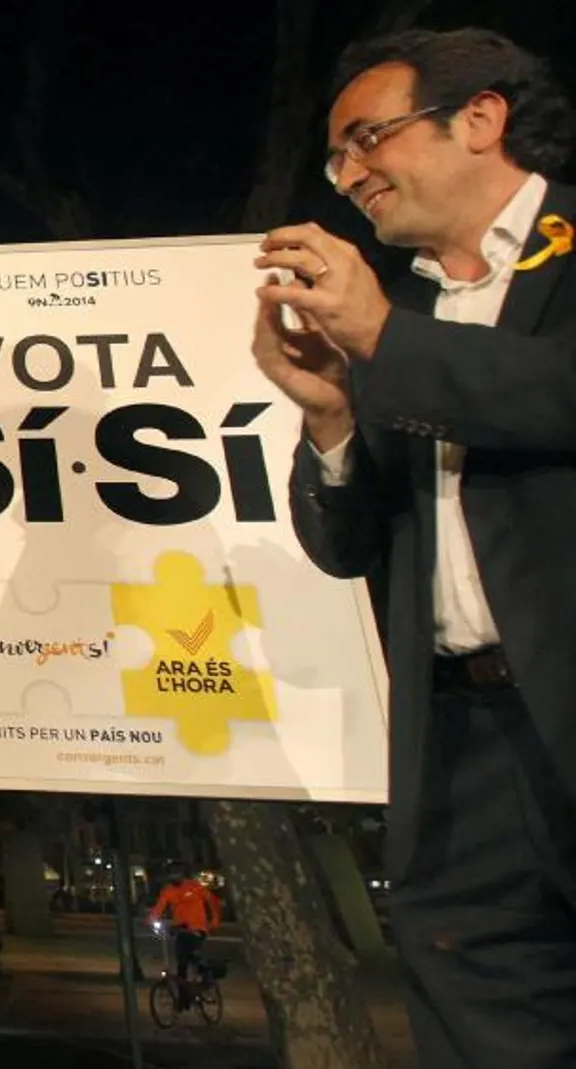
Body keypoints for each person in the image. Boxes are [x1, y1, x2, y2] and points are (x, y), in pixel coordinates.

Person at [251, 28, 576, 1069]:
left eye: (367, 139)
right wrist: (334, 417)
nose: (347, 177)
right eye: (335, 158)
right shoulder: (406, 314)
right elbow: (345, 545)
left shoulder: (407, 324)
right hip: (461, 746)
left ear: (478, 120)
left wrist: (386, 344)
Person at [147, 865, 220, 986]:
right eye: (172, 875)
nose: (174, 877)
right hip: (181, 928)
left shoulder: (194, 886)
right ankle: (185, 989)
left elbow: (211, 900)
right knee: (182, 958)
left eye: (177, 874)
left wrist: (214, 920)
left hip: (198, 927)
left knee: (185, 953)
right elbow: (159, 907)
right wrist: (151, 920)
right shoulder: (168, 891)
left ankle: (202, 971)